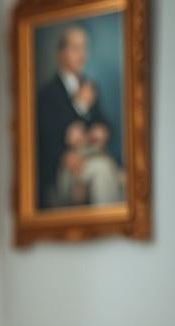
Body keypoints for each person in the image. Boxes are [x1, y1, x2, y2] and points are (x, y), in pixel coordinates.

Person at [36, 25, 115, 209]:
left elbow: (103, 123)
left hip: (91, 156)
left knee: (112, 171)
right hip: (64, 169)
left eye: (84, 47)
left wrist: (102, 131)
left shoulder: (89, 86)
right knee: (102, 172)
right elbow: (45, 140)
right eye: (75, 48)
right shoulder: (48, 93)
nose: (82, 54)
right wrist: (79, 107)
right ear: (61, 54)